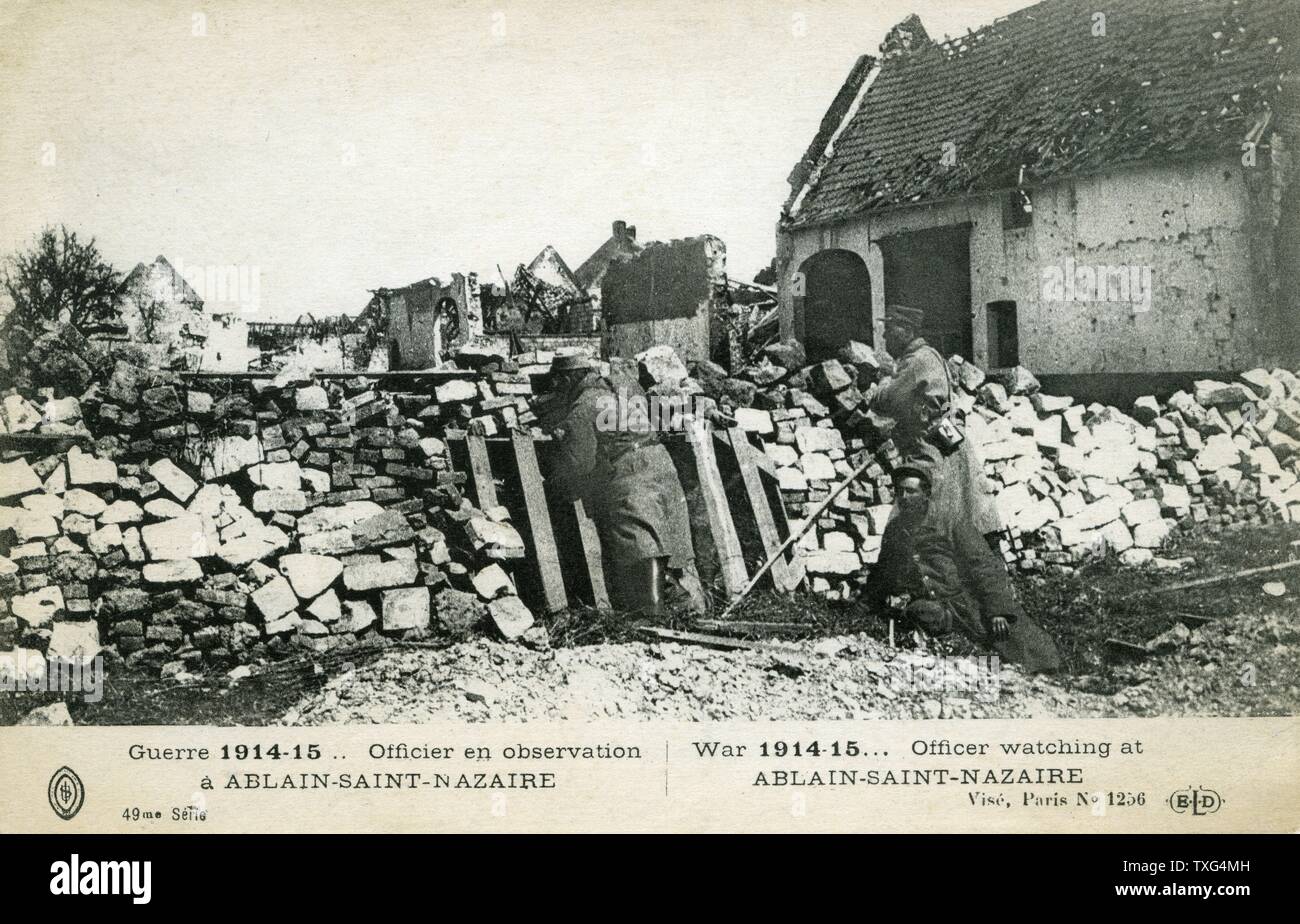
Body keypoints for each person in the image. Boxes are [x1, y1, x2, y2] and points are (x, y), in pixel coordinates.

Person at [542, 354, 706, 615]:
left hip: (631, 472)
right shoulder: (625, 385)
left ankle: (652, 612)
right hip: (661, 464)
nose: (558, 389)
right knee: (663, 537)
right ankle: (682, 604)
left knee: (639, 541)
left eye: (560, 382)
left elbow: (579, 464)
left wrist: (555, 481)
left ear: (569, 378)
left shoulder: (583, 405)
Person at [863, 465, 1060, 673]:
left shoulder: (951, 521)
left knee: (1025, 647)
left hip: (966, 601)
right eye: (899, 491)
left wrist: (997, 611)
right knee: (924, 616)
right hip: (932, 606)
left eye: (911, 491)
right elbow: (884, 570)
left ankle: (1044, 672)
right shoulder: (895, 529)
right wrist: (870, 603)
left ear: (926, 494)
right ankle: (973, 658)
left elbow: (983, 563)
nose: (904, 497)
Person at [870, 304, 1001, 541]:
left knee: (924, 518)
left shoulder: (916, 362)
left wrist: (884, 380)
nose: (885, 335)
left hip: (928, 446)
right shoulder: (928, 355)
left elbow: (885, 402)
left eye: (890, 328)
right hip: (944, 438)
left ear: (907, 330)